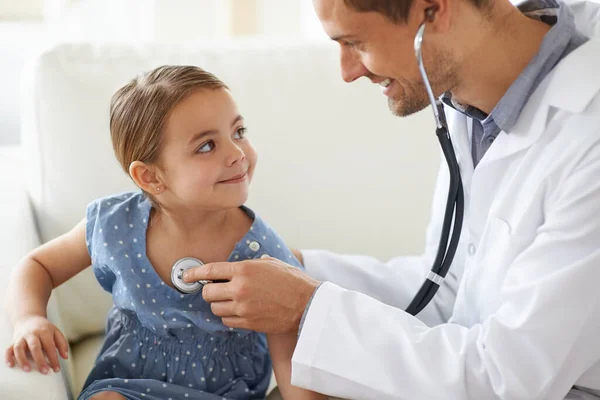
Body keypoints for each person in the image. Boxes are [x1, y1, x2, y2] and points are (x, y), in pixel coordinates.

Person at [181, 0, 600, 398]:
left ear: (434, 11)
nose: (347, 71)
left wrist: (305, 307)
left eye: (355, 43)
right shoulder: (467, 98)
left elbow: (510, 378)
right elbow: (451, 288)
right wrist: (298, 268)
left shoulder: (589, 138)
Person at [4, 65, 326, 400]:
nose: (237, 153)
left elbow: (290, 346)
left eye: (239, 131)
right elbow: (37, 266)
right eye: (206, 146)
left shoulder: (261, 252)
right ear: (150, 178)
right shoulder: (115, 224)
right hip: (126, 384)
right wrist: (29, 319)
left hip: (226, 393)